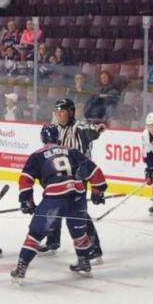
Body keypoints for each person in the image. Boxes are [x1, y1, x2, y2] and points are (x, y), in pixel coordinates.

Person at [10, 125, 107, 283]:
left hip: (55, 197)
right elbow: (93, 170)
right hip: (77, 194)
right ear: (59, 138)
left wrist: (26, 200)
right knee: (79, 231)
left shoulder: (37, 155)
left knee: (36, 233)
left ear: (43, 139)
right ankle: (84, 261)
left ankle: (21, 268)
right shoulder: (71, 151)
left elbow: (26, 178)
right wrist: (98, 190)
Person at [42, 99, 105, 263]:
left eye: (62, 111)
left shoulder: (80, 127)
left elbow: (93, 131)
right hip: (60, 175)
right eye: (57, 111)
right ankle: (52, 242)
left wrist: (96, 130)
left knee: (78, 213)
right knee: (53, 206)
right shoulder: (55, 129)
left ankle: (94, 248)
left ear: (71, 112)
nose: (59, 114)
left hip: (78, 177)